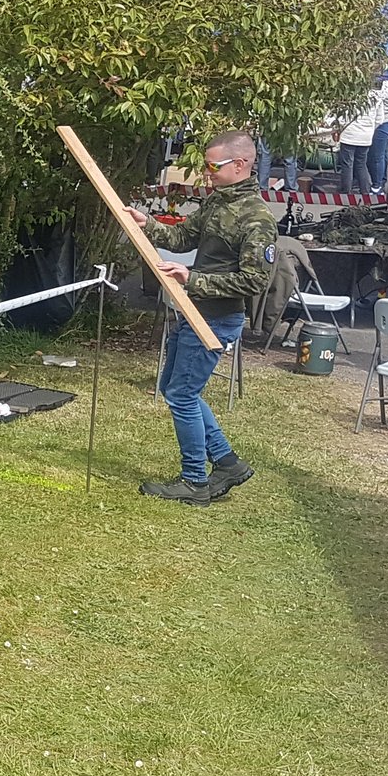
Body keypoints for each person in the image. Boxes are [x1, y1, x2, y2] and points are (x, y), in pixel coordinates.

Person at [125, 130, 278, 506]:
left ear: (239, 165)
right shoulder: (217, 202)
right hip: (193, 314)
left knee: (182, 395)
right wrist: (147, 224)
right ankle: (227, 463)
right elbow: (182, 238)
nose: (206, 173)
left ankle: (195, 480)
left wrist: (192, 278)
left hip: (216, 319)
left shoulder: (257, 218)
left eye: (212, 166)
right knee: (174, 389)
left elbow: (255, 281)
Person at [365, 79, 388, 194]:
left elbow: (374, 97)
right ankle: (382, 181)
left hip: (383, 122)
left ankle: (376, 187)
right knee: (383, 154)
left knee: (376, 156)